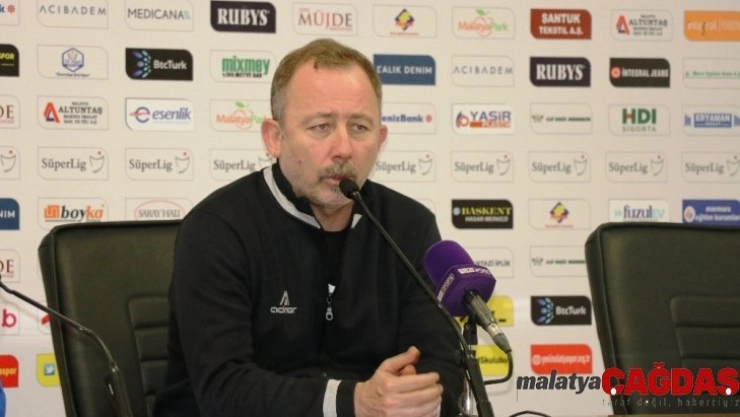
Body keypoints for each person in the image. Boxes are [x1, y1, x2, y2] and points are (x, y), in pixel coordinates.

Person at [154, 38, 463, 417]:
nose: (343, 148)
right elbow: (224, 390)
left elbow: (441, 365)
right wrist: (354, 401)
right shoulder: (217, 228)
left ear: (380, 140)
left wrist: (416, 396)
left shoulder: (409, 226)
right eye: (321, 126)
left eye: (360, 127)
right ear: (275, 138)